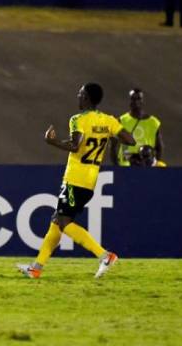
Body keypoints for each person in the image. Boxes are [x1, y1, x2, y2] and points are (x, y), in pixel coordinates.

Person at [17, 83, 135, 279]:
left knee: (63, 222)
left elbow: (75, 145)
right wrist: (109, 136)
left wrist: (52, 141)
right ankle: (36, 268)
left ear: (87, 97)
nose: (77, 96)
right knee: (56, 221)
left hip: (75, 178)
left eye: (80, 94)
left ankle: (104, 255)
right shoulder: (108, 121)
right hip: (90, 180)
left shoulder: (77, 120)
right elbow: (130, 140)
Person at [111, 88, 165, 167]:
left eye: (138, 99)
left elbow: (159, 148)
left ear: (142, 101)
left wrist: (155, 165)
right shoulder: (122, 120)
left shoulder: (153, 123)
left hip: (146, 168)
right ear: (129, 100)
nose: (135, 101)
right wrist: (117, 168)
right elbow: (113, 147)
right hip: (125, 168)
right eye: (133, 98)